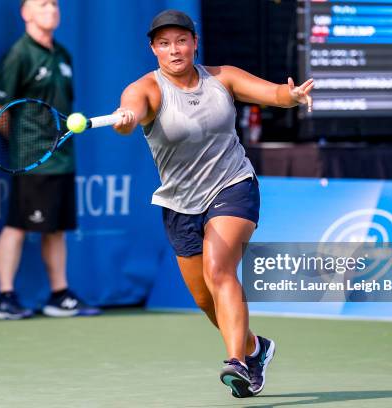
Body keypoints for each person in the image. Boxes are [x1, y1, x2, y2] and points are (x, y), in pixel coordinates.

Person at [111, 9, 314, 398]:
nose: (175, 50)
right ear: (153, 49)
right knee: (206, 301)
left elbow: (274, 94)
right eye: (165, 43)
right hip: (180, 203)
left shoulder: (223, 77)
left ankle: (236, 362)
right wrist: (126, 119)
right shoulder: (147, 89)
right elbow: (131, 112)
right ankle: (256, 349)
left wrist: (291, 95)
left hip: (232, 185)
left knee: (220, 270)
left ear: (194, 43)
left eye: (182, 41)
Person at [0, 0, 101, 319]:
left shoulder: (63, 56)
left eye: (54, 4)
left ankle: (59, 295)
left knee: (56, 229)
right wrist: (24, 146)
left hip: (63, 158)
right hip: (33, 160)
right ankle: (5, 298)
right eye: (43, 4)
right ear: (26, 13)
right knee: (17, 226)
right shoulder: (19, 54)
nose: (51, 9)